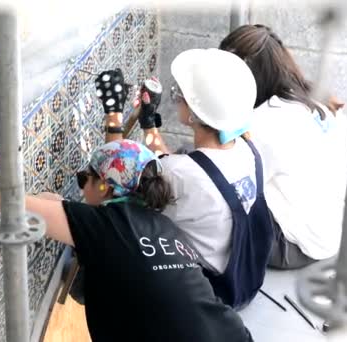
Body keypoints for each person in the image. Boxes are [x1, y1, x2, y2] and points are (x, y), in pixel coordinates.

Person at [0, 140, 252, 342]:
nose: (82, 189)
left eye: (84, 180)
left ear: (104, 186)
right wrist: (63, 208)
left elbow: (6, 204)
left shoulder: (105, 226)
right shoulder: (163, 225)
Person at [96, 49, 274, 309]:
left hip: (210, 296)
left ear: (193, 114)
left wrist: (113, 114)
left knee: (115, 218)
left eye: (180, 95)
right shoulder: (248, 150)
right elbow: (180, 168)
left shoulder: (181, 175)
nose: (177, 97)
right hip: (246, 279)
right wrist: (149, 123)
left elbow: (114, 171)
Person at [219, 24, 347, 269]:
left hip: (293, 247)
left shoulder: (265, 121)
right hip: (334, 233)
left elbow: (233, 180)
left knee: (210, 192)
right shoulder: (318, 100)